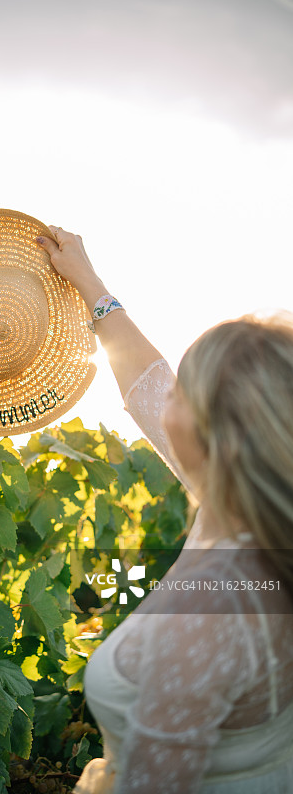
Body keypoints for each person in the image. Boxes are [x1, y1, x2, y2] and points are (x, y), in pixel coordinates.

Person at [36, 227, 293, 793]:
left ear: (215, 439)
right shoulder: (259, 519)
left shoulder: (214, 606)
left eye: (184, 393)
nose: (166, 396)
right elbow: (148, 382)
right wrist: (90, 284)